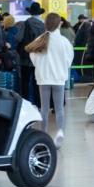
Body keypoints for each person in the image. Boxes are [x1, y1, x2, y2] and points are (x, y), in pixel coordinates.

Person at [27, 13, 74, 147]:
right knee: (59, 109)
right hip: (58, 78)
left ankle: (43, 134)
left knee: (44, 107)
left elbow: (33, 57)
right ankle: (59, 132)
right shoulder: (64, 42)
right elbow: (69, 60)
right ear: (59, 24)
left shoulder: (40, 39)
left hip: (43, 77)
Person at [16, 3, 46, 105]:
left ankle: (25, 102)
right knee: (37, 81)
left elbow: (18, 38)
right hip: (39, 58)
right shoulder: (43, 25)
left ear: (30, 13)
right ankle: (38, 103)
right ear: (39, 13)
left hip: (26, 57)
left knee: (24, 81)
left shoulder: (25, 24)